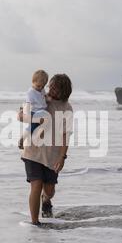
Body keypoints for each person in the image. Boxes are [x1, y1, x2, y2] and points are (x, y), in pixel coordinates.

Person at [18, 74, 73, 226]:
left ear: (64, 91)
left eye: (55, 88)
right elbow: (21, 116)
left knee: (49, 190)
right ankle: (35, 223)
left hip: (52, 155)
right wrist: (23, 114)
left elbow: (65, 135)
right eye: (51, 86)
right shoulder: (39, 98)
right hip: (33, 151)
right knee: (36, 184)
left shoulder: (67, 108)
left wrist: (62, 158)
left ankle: (46, 199)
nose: (51, 90)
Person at [18, 69, 50, 150]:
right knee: (32, 127)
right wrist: (24, 112)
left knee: (40, 127)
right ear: (33, 82)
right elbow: (27, 103)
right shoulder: (31, 92)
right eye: (38, 86)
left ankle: (35, 142)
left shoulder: (42, 89)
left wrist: (48, 98)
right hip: (34, 112)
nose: (40, 88)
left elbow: (44, 96)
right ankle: (23, 139)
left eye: (43, 86)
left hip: (42, 111)